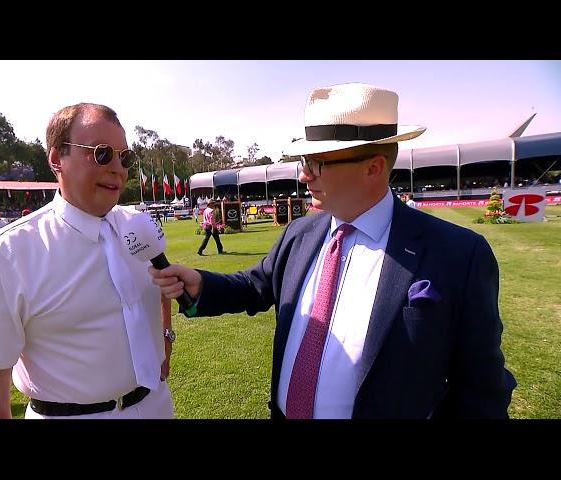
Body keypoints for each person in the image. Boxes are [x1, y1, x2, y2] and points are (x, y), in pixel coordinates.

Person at [150, 82, 516, 419]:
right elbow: (256, 285)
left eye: (316, 163)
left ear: (373, 168)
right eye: (303, 163)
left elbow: (482, 391)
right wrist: (200, 284)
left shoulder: (459, 255)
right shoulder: (301, 232)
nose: (303, 175)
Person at [0, 102, 174, 419]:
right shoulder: (3, 257)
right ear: (55, 159)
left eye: (125, 157)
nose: (118, 168)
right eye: (102, 153)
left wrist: (166, 332)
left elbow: (163, 281)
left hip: (156, 406)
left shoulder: (140, 226)